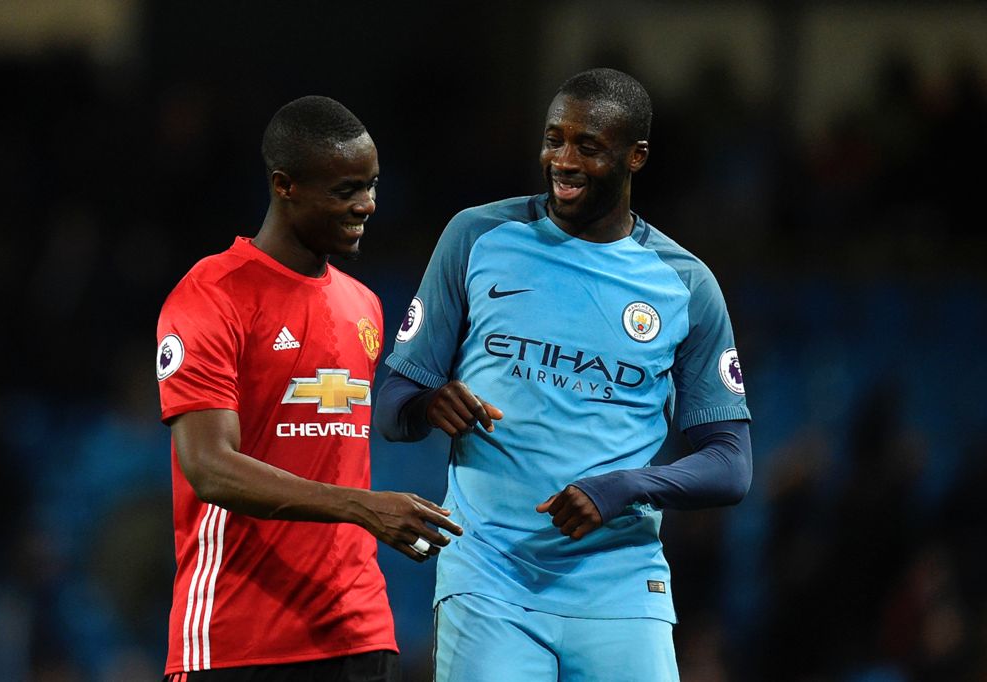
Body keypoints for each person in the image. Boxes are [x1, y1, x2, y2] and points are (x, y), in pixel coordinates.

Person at [374, 68, 753, 681]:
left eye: (588, 147)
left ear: (637, 156)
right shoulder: (477, 237)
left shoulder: (683, 284)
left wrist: (623, 488)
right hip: (488, 575)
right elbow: (393, 406)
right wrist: (427, 405)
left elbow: (730, 464)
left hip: (621, 585)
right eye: (555, 140)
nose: (564, 161)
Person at [154, 95, 462, 681]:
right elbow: (210, 467)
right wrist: (362, 509)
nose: (366, 205)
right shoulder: (212, 295)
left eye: (371, 186)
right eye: (345, 190)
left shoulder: (365, 305)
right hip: (237, 637)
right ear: (285, 185)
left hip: (358, 631)